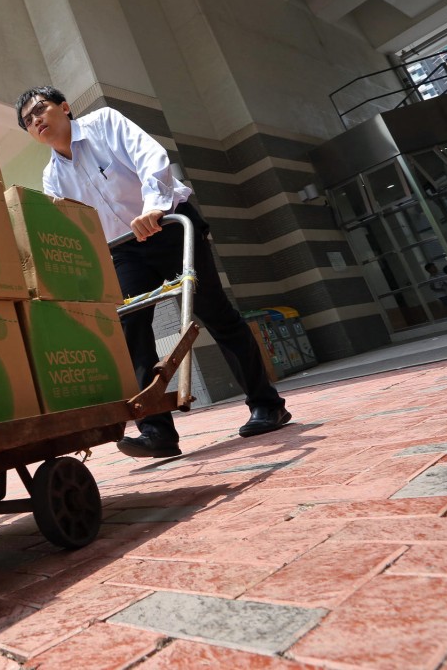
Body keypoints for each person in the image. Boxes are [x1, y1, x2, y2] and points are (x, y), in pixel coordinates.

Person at [16, 86, 290, 458]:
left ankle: (267, 405)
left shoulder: (104, 124)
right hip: (125, 249)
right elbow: (74, 225)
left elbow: (150, 157)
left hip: (167, 224)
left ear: (64, 107)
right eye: (27, 121)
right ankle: (158, 433)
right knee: (131, 330)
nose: (35, 120)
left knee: (215, 312)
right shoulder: (52, 177)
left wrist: (153, 207)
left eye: (40, 109)